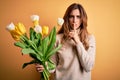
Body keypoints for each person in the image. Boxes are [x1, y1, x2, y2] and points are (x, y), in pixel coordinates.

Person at [35, 3, 96, 80]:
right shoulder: (57, 38)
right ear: (67, 19)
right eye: (71, 16)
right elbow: (52, 66)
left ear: (82, 19)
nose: (74, 20)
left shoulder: (90, 38)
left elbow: (88, 66)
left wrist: (77, 42)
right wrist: (44, 66)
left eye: (78, 17)